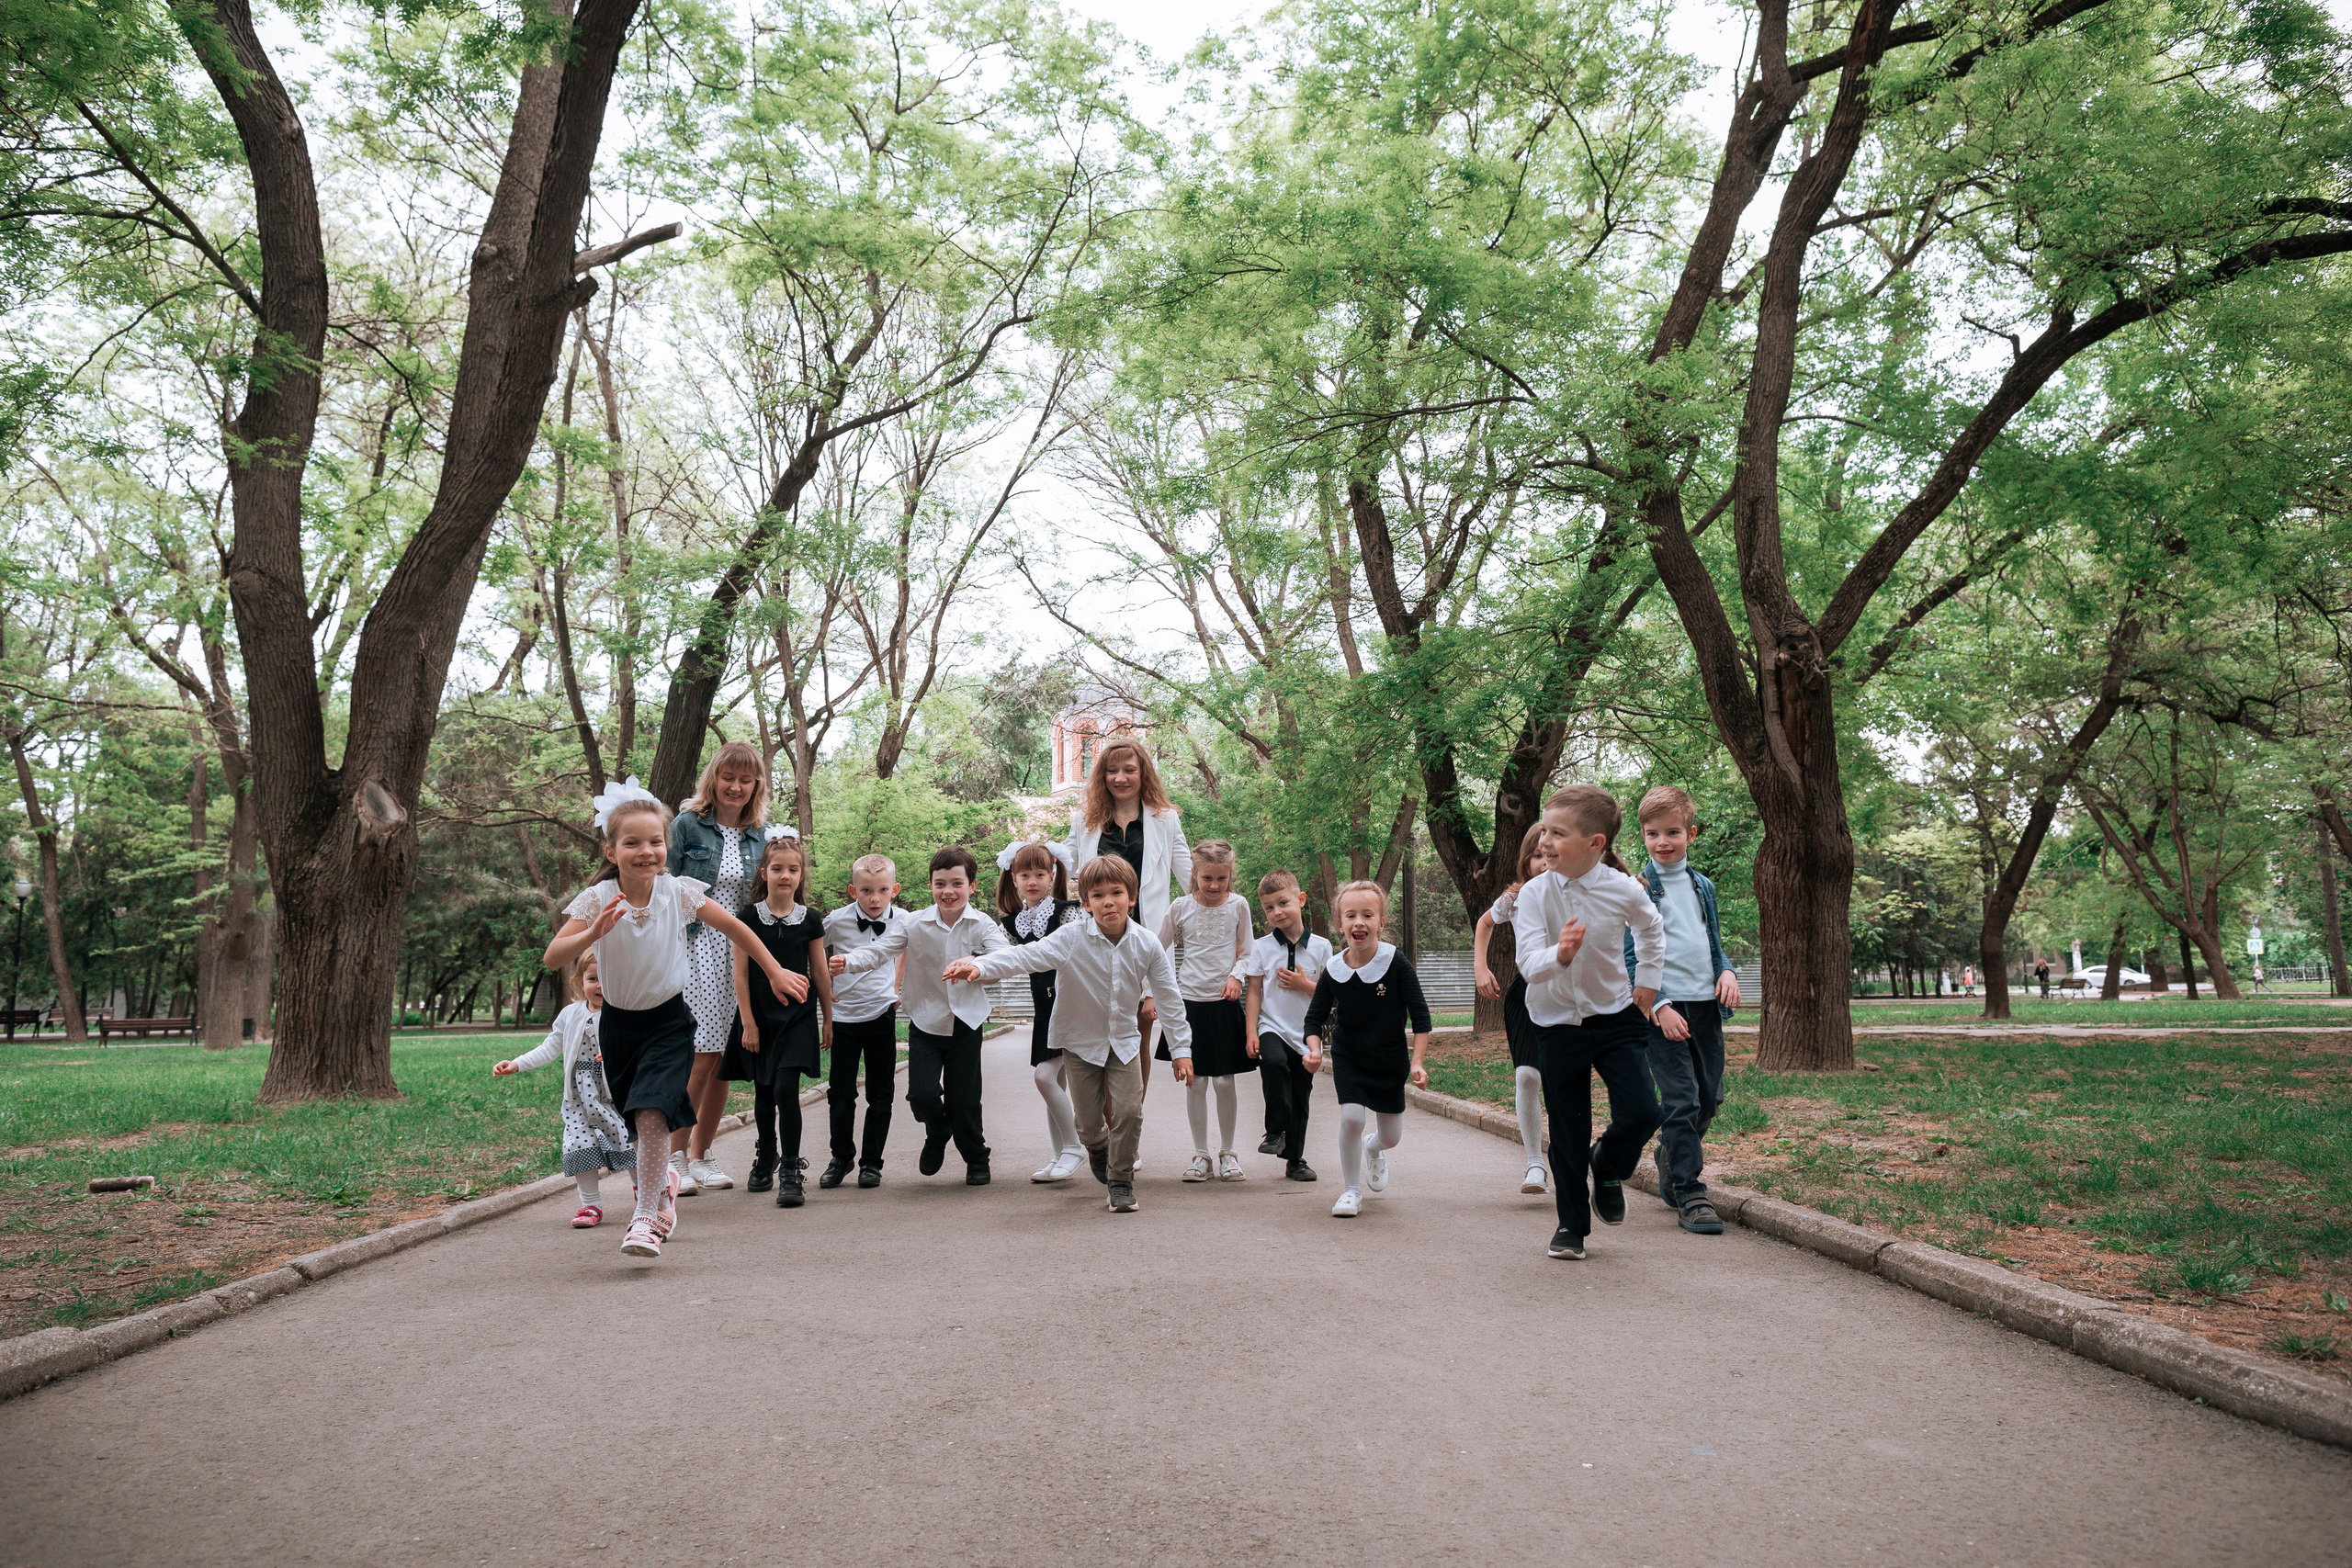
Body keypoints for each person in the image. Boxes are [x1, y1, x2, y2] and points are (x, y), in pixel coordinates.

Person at [543, 781, 805, 1259]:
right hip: (618, 1029)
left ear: (667, 845)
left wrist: (775, 969)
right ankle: (662, 1181)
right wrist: (593, 932)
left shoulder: (680, 891)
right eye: (633, 843)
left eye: (656, 841)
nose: (647, 851)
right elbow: (552, 955)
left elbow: (736, 928)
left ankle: (645, 1218)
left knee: (651, 1113)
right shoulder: (597, 898)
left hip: (669, 1023)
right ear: (611, 849)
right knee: (637, 1121)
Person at [945, 854, 1192, 1214]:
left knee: (1130, 1111)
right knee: (1089, 1124)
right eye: (1098, 896)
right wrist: (979, 965)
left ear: (1132, 898)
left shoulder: (1147, 944)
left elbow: (1169, 998)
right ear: (1087, 904)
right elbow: (1025, 956)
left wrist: (1181, 1049)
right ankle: (1096, 1148)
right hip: (1079, 1043)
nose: (1108, 902)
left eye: (1117, 893)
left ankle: (1121, 1181)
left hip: (1123, 1042)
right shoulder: (1071, 937)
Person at [1515, 784, 1667, 1261]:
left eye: (1558, 834)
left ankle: (1607, 1162)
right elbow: (1526, 962)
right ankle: (1571, 1227)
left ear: (1596, 843)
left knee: (1643, 1111)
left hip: (1615, 1014)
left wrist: (1648, 980)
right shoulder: (1535, 895)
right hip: (1555, 1021)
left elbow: (1651, 927)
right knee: (1567, 1129)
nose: (1544, 842)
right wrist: (1558, 955)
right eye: (1545, 830)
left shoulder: (1622, 888)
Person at [831, 846, 1009, 1185]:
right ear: (930, 885)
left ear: (971, 886)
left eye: (957, 883)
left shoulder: (981, 923)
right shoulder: (915, 923)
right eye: (940, 883)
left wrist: (975, 963)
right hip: (926, 1021)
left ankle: (976, 1158)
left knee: (964, 1100)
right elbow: (881, 950)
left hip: (966, 1023)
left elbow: (1005, 957)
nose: (948, 891)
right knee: (921, 1095)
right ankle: (937, 1130)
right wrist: (848, 962)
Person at [1626, 786, 1740, 1237]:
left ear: (1691, 833)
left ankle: (1670, 1156)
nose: (1663, 842)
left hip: (1706, 1006)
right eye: (1653, 834)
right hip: (1663, 1009)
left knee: (1709, 1098)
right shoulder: (1636, 889)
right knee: (1682, 1099)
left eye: (1672, 832)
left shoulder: (1702, 885)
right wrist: (1659, 1003)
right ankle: (1690, 1191)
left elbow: (1712, 943)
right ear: (1643, 836)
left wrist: (1726, 971)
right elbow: (1629, 953)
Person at [667, 739, 773, 1195]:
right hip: (694, 947)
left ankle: (702, 1155)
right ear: (714, 778)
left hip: (740, 951)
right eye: (728, 777)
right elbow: (661, 886)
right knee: (701, 1056)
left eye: (745, 780)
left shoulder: (760, 836)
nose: (735, 786)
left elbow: (771, 898)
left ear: (756, 786)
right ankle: (672, 1156)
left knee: (723, 1061)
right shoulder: (688, 825)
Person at [1066, 737, 1191, 1089]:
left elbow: (1189, 878)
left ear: (1143, 773)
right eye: (1112, 770)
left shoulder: (1165, 820)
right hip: (1095, 940)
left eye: (1129, 770)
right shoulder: (1085, 822)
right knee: (1098, 1037)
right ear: (1102, 777)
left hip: (1145, 941)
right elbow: (1065, 870)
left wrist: (1224, 913)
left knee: (1138, 1035)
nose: (1120, 777)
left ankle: (1127, 1130)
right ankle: (1102, 1134)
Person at [1302, 880, 1431, 1219]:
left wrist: (1417, 1063)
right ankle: (1350, 1190)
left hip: (1389, 1060)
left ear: (1381, 922)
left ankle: (1374, 1149)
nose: (1359, 922)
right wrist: (1314, 1051)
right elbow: (1313, 1021)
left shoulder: (1396, 963)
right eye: (1351, 915)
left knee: (1391, 1137)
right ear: (1340, 924)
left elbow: (1421, 1018)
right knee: (1352, 1118)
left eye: (1367, 915)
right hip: (1350, 1056)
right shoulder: (1333, 969)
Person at [722, 834, 834, 1208]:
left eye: (793, 869)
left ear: (801, 875)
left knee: (786, 1089)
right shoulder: (747, 918)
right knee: (764, 1092)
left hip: (798, 1016)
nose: (785, 875)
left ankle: (790, 1169)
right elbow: (739, 975)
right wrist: (749, 1024)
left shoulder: (811, 920)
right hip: (760, 1018)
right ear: (763, 872)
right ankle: (765, 1156)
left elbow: (819, 973)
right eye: (777, 869)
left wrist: (827, 1019)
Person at [492, 954, 629, 1228]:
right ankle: (590, 1206)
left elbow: (638, 1048)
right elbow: (549, 1047)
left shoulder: (625, 1013)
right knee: (580, 1145)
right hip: (578, 1097)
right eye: (592, 979)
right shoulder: (570, 1014)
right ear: (579, 983)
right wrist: (516, 1064)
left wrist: (619, 1055)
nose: (599, 986)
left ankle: (645, 1198)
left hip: (615, 1095)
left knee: (628, 1142)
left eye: (607, 979)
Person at [1159, 839, 1255, 1182]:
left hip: (1224, 1005)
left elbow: (1249, 954)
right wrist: (1152, 993)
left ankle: (1228, 1152)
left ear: (1230, 876)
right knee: (1194, 1081)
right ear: (1195, 874)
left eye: (1222, 879)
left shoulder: (1239, 906)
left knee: (1225, 1082)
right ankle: (1201, 1154)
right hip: (1189, 1006)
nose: (1214, 886)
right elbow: (1156, 951)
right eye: (1207, 879)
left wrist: (1236, 976)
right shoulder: (1180, 907)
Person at [997, 838, 1086, 1183]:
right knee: (1056, 1084)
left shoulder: (1069, 911)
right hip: (1043, 1010)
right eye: (1024, 875)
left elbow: (1082, 953)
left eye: (1039, 873)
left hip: (1072, 1005)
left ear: (1052, 875)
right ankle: (1059, 1154)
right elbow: (1000, 959)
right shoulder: (1010, 924)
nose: (1032, 881)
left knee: (1045, 1077)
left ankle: (1075, 1148)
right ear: (1013, 879)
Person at [1473, 824, 1555, 1198]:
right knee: (1526, 1076)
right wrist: (1481, 966)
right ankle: (1535, 1162)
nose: (1542, 862)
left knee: (1561, 1081)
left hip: (1569, 995)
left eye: (1547, 853)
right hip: (1525, 991)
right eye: (1535, 856)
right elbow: (1485, 922)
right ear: (1526, 861)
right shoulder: (1515, 897)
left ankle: (1571, 1160)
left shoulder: (1579, 890)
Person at [820, 855, 904, 1190]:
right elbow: (814, 952)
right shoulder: (835, 921)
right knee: (840, 1094)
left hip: (882, 1014)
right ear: (853, 890)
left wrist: (897, 986)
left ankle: (872, 1163)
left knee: (881, 1094)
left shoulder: (905, 921)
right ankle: (840, 1158)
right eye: (866, 890)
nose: (874, 898)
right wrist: (824, 991)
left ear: (894, 890)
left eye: (882, 890)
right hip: (843, 1018)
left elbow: (908, 950)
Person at [1243, 869, 1331, 1182]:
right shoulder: (1262, 947)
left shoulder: (1322, 947)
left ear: (1301, 900)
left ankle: (1295, 1160)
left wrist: (1304, 984)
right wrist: (1252, 1031)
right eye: (1269, 907)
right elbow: (1253, 990)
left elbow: (1328, 994)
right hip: (1271, 1026)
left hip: (1306, 1034)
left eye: (1283, 903)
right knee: (1275, 1064)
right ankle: (1274, 1130)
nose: (1276, 912)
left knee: (1301, 1096)